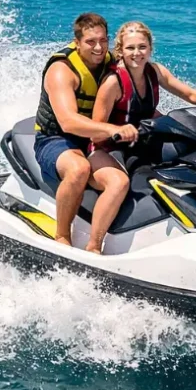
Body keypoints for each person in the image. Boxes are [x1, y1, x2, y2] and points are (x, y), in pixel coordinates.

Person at [89, 21, 196, 237]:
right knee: (124, 185)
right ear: (120, 51)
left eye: (142, 47)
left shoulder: (155, 71)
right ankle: (96, 244)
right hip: (112, 146)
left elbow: (190, 94)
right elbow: (95, 131)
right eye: (130, 48)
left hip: (144, 139)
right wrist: (118, 131)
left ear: (150, 48)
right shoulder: (113, 82)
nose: (137, 53)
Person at [33, 13, 138, 253]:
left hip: (93, 140)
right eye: (91, 42)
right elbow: (69, 122)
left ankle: (94, 246)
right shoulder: (62, 71)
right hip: (56, 139)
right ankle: (61, 237)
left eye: (103, 40)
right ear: (77, 42)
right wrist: (113, 129)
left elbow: (148, 76)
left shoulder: (110, 61)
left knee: (119, 181)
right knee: (78, 169)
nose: (99, 47)